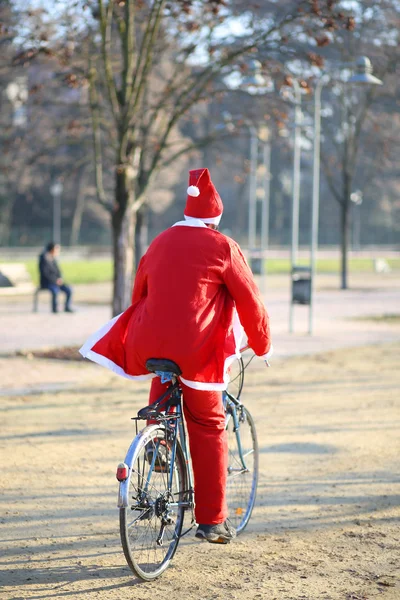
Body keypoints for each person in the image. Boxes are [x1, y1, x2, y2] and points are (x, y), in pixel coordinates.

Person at [80, 168, 272, 544]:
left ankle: (159, 443)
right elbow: (251, 302)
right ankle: (212, 520)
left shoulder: (161, 241)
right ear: (215, 219)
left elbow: (140, 291)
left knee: (165, 374)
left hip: (150, 342)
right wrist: (262, 344)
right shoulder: (223, 247)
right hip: (197, 352)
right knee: (208, 423)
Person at [39, 242, 73, 313]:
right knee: (55, 290)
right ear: (52, 249)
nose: (58, 251)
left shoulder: (53, 259)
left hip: (57, 282)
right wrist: (55, 280)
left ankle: (67, 307)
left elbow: (58, 271)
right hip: (47, 282)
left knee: (69, 289)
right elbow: (45, 274)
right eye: (57, 249)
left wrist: (60, 278)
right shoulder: (43, 259)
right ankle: (55, 309)